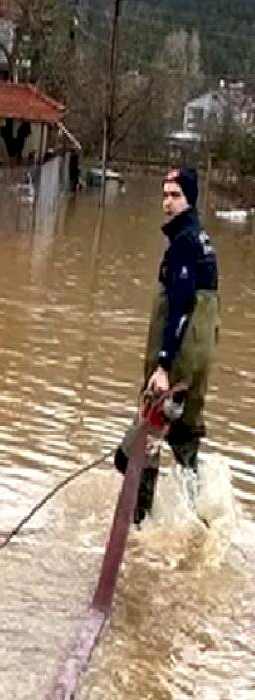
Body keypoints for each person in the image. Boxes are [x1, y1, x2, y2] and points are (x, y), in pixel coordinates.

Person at [115, 167, 219, 524]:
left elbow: (178, 308)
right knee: (186, 439)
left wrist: (162, 366)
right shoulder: (203, 240)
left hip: (176, 362)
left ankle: (139, 522)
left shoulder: (184, 244)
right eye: (164, 194)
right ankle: (198, 521)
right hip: (198, 361)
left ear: (190, 199)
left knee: (141, 443)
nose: (167, 203)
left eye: (175, 195)